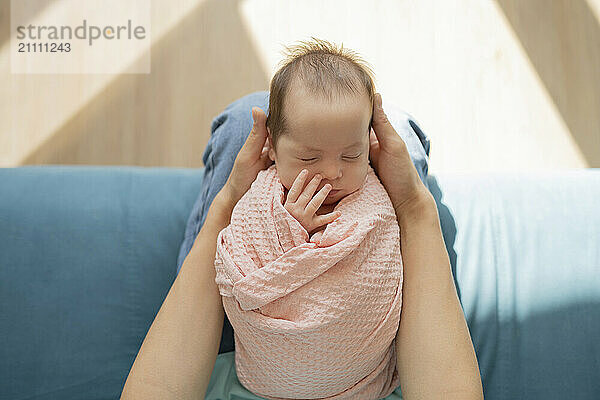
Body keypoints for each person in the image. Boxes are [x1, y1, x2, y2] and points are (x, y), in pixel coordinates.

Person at [121, 89, 483, 399]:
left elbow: (236, 262)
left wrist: (228, 203)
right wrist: (414, 208)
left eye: (348, 158)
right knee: (397, 132)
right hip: (367, 368)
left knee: (243, 124)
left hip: (252, 357)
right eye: (311, 159)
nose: (331, 173)